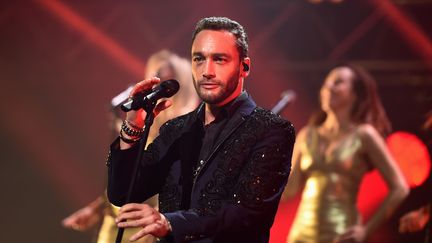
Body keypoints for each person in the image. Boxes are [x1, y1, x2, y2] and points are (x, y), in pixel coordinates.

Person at [106, 16, 295, 243]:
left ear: (244, 66)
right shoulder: (175, 130)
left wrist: (170, 222)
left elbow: (247, 215)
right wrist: (133, 128)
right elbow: (123, 193)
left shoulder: (272, 129)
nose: (207, 70)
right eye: (199, 59)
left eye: (219, 59)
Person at [62, 50, 200, 243]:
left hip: (145, 226)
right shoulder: (147, 123)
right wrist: (95, 209)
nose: (163, 85)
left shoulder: (187, 130)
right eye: (159, 76)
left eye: (170, 80)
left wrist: (163, 222)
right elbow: (128, 177)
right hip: (116, 220)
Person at [282, 64, 409, 243]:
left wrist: (366, 230)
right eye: (326, 83)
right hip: (301, 234)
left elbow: (400, 188)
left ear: (355, 94)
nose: (328, 87)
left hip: (340, 234)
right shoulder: (307, 134)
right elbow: (288, 190)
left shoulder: (364, 134)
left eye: (338, 82)